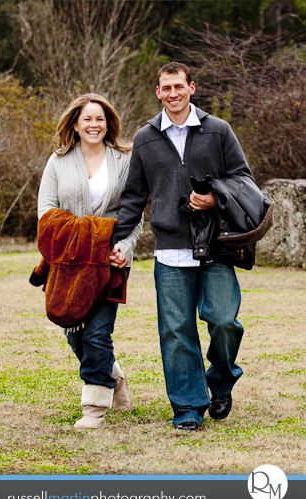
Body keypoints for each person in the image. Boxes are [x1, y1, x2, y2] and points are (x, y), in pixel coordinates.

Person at [111, 61, 254, 431]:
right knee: (176, 332)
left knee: (224, 321)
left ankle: (221, 380)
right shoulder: (145, 138)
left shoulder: (218, 130)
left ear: (191, 87)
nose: (173, 93)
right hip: (169, 250)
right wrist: (115, 243)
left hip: (216, 247)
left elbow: (243, 180)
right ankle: (188, 407)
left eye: (179, 86)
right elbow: (132, 198)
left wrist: (214, 199)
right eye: (166, 88)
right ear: (158, 92)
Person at [37, 93, 143, 429]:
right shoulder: (58, 161)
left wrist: (124, 248)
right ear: (75, 124)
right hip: (68, 263)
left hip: (108, 261)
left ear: (108, 123)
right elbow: (45, 212)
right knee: (74, 333)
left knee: (97, 334)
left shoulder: (124, 160)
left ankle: (94, 409)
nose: (94, 125)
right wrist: (75, 236)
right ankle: (115, 378)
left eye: (100, 119)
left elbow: (134, 213)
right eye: (87, 119)